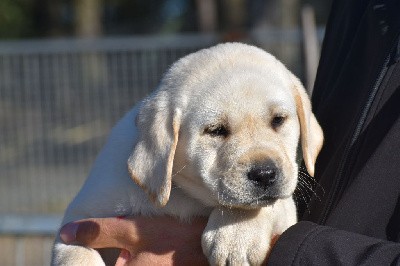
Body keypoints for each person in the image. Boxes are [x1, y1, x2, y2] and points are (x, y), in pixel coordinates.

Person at [59, 0, 400, 264]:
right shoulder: (126, 162)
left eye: (278, 121)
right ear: (165, 140)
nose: (264, 166)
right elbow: (74, 237)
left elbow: (284, 215)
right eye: (218, 130)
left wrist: (250, 215)